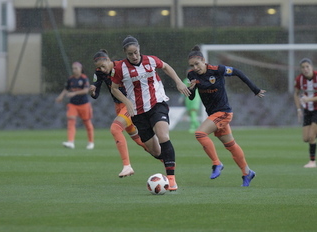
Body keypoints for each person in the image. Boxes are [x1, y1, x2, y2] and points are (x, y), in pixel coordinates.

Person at [111, 35, 190, 191]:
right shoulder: (120, 68)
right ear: (125, 53)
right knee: (154, 150)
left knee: (163, 136)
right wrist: (127, 102)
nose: (134, 56)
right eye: (130, 54)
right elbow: (114, 89)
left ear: (139, 49)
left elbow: (166, 67)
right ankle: (168, 160)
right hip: (138, 112)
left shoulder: (151, 60)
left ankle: (171, 180)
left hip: (157, 104)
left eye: (136, 52)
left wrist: (179, 81)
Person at [187, 45, 265, 187]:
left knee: (200, 134)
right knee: (231, 145)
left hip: (224, 112)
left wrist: (255, 89)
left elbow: (238, 72)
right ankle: (247, 172)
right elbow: (191, 97)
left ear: (204, 60)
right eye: (192, 65)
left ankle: (217, 163)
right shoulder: (192, 76)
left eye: (197, 64)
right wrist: (190, 89)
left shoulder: (217, 70)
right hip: (214, 115)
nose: (195, 67)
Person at [90, 49, 149, 177]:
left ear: (108, 60)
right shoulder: (99, 72)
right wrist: (93, 90)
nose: (101, 69)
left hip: (129, 104)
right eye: (98, 67)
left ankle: (127, 166)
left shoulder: (121, 67)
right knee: (139, 141)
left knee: (115, 129)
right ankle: (165, 159)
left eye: (103, 65)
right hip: (118, 106)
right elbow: (96, 92)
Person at [56, 62, 95, 150]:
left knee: (87, 123)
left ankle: (91, 142)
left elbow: (85, 91)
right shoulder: (71, 79)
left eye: (76, 68)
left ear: (81, 69)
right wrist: (61, 96)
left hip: (84, 104)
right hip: (73, 104)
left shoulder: (84, 78)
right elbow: (66, 89)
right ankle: (70, 142)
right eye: (73, 68)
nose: (74, 70)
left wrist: (74, 93)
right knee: (71, 121)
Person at [294, 58, 317, 168]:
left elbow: (308, 98)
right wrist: (299, 109)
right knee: (305, 138)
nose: (305, 69)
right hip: (307, 110)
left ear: (312, 67)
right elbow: (296, 94)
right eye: (303, 67)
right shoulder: (299, 79)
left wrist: (309, 99)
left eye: (307, 66)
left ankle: (312, 162)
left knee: (312, 137)